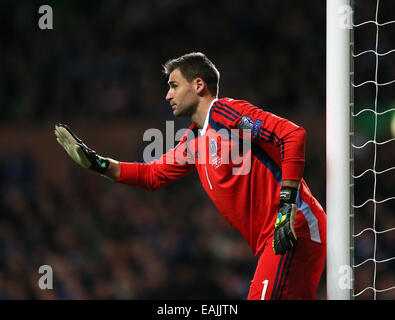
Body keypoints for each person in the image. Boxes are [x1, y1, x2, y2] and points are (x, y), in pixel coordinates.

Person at [54, 52, 326, 300]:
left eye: (173, 86)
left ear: (198, 86)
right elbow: (151, 175)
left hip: (292, 223)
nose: (167, 96)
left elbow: (291, 135)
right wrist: (97, 163)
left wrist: (286, 206)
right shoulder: (194, 141)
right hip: (275, 237)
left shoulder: (226, 113)